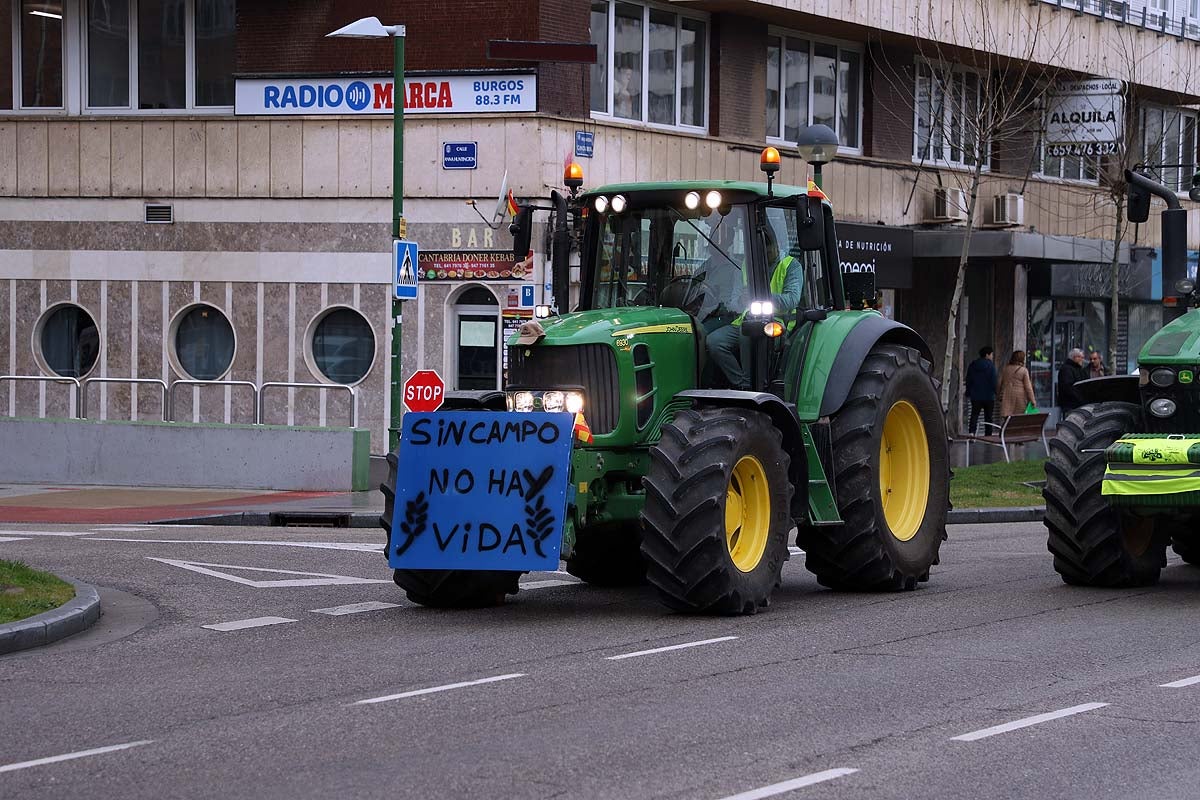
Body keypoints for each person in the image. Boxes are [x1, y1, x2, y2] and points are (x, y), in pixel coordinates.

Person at [706, 229, 803, 389]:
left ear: (777, 246)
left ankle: (751, 385)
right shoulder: (746, 264)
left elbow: (792, 299)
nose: (766, 254)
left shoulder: (791, 266)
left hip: (777, 323)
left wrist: (761, 296)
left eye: (769, 249)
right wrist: (741, 300)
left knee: (748, 334)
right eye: (761, 251)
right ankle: (739, 384)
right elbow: (733, 301)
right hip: (746, 319)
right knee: (714, 341)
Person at [964, 346, 997, 435]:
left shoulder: (973, 365)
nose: (992, 356)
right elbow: (994, 381)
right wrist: (996, 392)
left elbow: (968, 380)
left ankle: (972, 432)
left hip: (975, 395)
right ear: (987, 355)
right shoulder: (991, 366)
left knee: (974, 415)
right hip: (989, 396)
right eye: (991, 354)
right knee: (988, 417)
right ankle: (988, 435)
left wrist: (968, 392)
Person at [997, 350, 1037, 419]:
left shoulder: (1006, 369)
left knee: (1007, 419)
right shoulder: (1023, 370)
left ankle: (1007, 430)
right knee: (1018, 419)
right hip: (1019, 398)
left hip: (1007, 396)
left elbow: (999, 383)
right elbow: (1028, 388)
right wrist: (1032, 400)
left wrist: (999, 395)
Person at [1057, 348, 1089, 416]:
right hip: (1071, 405)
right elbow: (1068, 387)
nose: (1082, 360)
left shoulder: (1079, 369)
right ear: (1075, 357)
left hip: (1079, 404)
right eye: (1081, 357)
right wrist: (1080, 398)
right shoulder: (1067, 369)